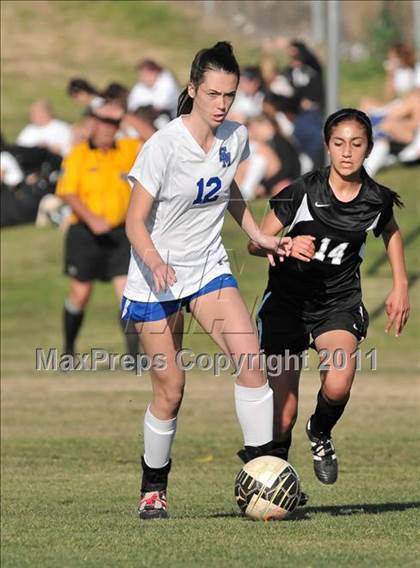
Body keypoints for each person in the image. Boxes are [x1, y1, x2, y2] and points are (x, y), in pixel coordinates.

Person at [121, 42, 292, 520]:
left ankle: (265, 474)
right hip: (155, 281)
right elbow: (134, 222)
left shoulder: (235, 137)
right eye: (213, 93)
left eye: (230, 95)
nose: (221, 104)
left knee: (252, 362)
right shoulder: (162, 146)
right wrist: (154, 261)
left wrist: (257, 233)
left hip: (208, 268)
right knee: (170, 390)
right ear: (193, 89)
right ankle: (153, 490)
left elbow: (226, 186)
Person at [249, 108, 410, 486]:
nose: (347, 152)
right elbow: (256, 242)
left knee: (337, 384)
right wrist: (285, 244)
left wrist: (400, 284)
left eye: (356, 143)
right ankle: (278, 482)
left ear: (369, 148)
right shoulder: (303, 191)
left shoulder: (376, 199)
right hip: (287, 304)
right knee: (282, 414)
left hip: (336, 304)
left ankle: (320, 432)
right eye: (339, 143)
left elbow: (391, 232)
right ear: (327, 147)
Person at [55, 103, 141, 362]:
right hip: (85, 233)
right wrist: (91, 219)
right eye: (103, 121)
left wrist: (125, 115)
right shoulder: (79, 154)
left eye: (113, 123)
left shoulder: (127, 150)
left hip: (119, 234)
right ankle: (69, 351)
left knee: (127, 294)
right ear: (92, 124)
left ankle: (134, 358)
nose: (108, 128)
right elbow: (67, 191)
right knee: (80, 294)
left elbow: (153, 138)